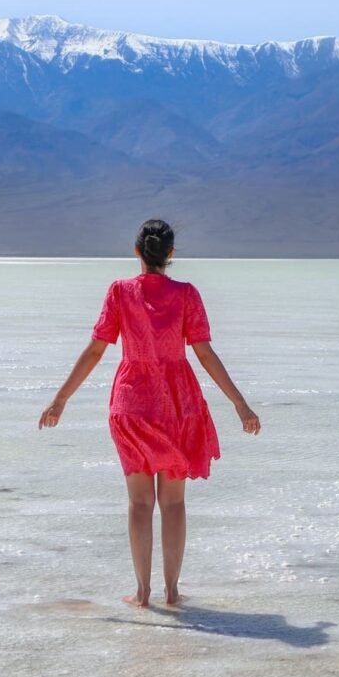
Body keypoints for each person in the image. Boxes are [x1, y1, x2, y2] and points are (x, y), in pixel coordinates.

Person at [38, 218, 261, 609]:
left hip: (132, 404)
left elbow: (95, 350)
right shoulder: (187, 294)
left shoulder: (120, 292)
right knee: (173, 503)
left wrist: (61, 399)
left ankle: (142, 593)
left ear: (137, 251)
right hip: (178, 404)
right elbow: (204, 353)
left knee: (140, 503)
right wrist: (239, 403)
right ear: (171, 254)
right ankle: (172, 592)